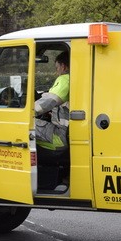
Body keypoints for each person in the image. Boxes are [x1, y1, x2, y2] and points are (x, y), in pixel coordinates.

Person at [34, 51, 71, 192]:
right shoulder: (77, 79)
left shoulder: (65, 79)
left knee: (21, 125)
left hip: (59, 138)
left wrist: (26, 112)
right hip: (68, 134)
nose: (56, 72)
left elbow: (50, 100)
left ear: (63, 66)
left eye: (56, 68)